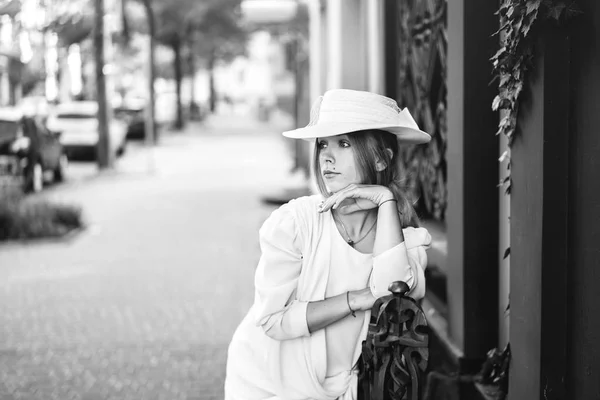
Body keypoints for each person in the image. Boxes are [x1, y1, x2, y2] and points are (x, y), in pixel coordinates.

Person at [225, 89, 433, 400]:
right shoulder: (297, 222)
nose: (327, 156)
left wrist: (385, 199)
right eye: (323, 144)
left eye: (344, 143)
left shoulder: (405, 241)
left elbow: (394, 292)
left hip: (339, 390)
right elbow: (272, 320)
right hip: (265, 381)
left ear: (380, 159)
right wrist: (356, 299)